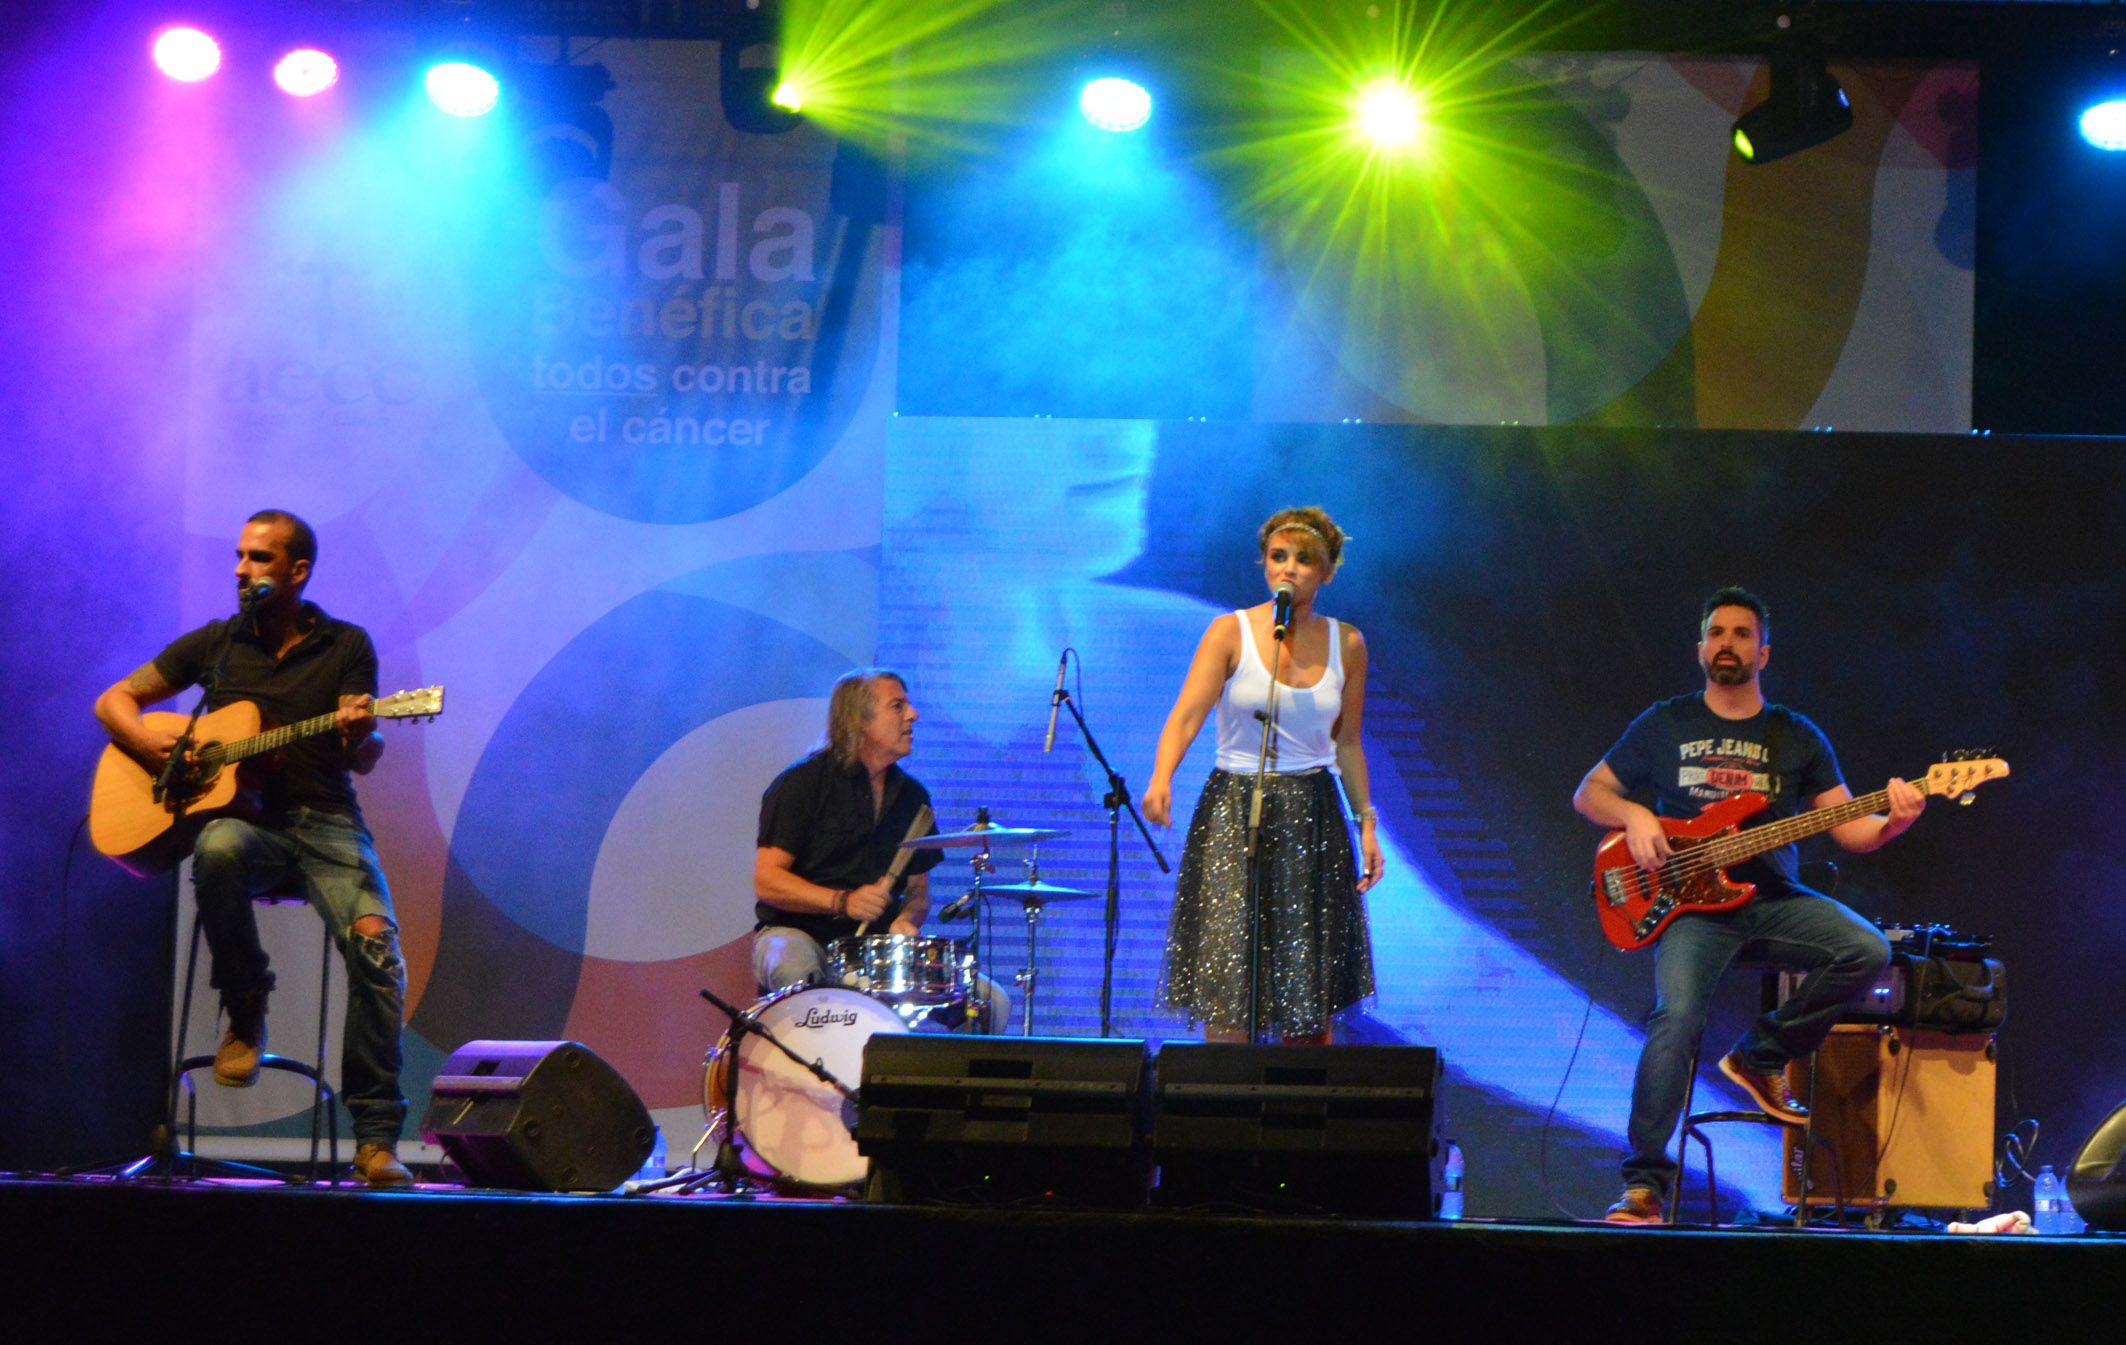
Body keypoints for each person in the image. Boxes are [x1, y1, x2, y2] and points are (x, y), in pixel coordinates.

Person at [1573, 586, 1921, 1224]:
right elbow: (1589, 793)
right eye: (1716, 633)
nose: (1726, 643)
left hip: (1771, 900)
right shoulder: (1665, 722)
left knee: (1866, 950)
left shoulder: (1795, 736)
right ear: (1700, 647)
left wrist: (1895, 820)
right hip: (1690, 908)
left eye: (1740, 634)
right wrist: (1637, 815)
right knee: (1674, 1021)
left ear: (1764, 651)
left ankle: (1759, 1056)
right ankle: (1645, 1188)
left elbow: (1851, 830)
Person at [94, 510, 414, 1187]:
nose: (242, 569)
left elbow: (368, 758)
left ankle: (377, 1138)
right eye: (239, 556)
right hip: (253, 827)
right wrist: (150, 741)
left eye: (259, 558)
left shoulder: (346, 646)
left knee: (378, 951)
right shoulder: (217, 645)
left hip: (326, 823)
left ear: (297, 571)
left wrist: (362, 734)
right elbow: (114, 700)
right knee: (216, 844)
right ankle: (245, 1001)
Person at [1141, 506, 1384, 1043]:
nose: (1288, 569)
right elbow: (1185, 716)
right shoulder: (1230, 632)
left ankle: (1299, 1117)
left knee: (1305, 996)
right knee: (1230, 986)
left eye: (1304, 559)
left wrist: (1366, 821)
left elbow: (1347, 742)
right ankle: (1222, 1113)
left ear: (1326, 571)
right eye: (1278, 557)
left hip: (1311, 815)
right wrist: (1162, 778)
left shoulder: (1348, 644)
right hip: (1234, 807)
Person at [752, 668, 1008, 1029]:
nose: (913, 714)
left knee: (990, 1003)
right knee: (794, 966)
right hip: (800, 932)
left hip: (877, 953)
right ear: (860, 720)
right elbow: (767, 880)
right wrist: (842, 902)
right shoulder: (801, 784)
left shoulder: (913, 798)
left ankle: (945, 1086)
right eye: (898, 706)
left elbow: (918, 893)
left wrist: (907, 919)